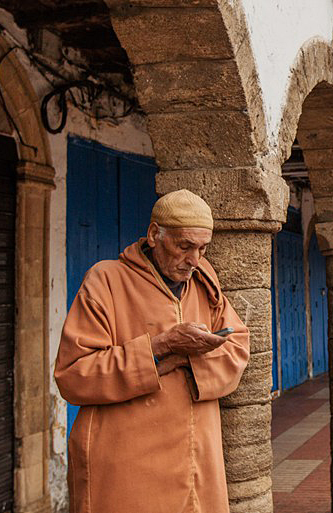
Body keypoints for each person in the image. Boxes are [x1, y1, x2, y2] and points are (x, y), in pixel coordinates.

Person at [54, 189, 250, 513]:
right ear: (154, 234)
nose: (193, 260)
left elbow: (238, 346)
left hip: (194, 463)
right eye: (184, 246)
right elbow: (73, 375)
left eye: (202, 248)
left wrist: (186, 358)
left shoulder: (204, 281)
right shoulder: (106, 281)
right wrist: (159, 348)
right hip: (126, 467)